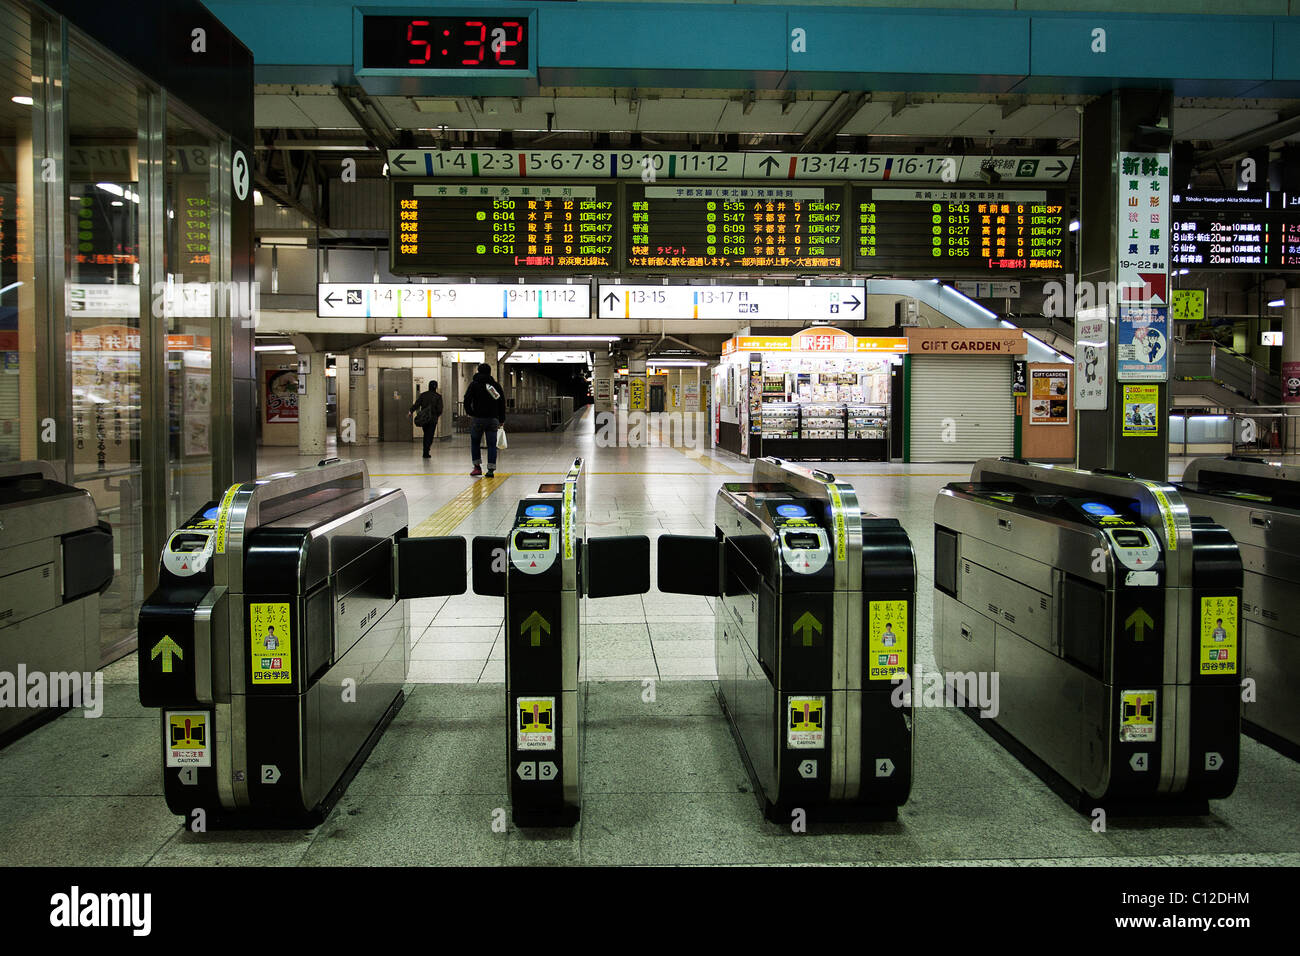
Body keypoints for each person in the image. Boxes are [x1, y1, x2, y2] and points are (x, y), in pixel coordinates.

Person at [464, 362, 506, 477]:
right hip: (493, 419)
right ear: (489, 372)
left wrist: (470, 412)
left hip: (478, 419)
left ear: (478, 371)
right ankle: (491, 470)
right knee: (492, 444)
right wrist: (502, 418)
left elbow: (466, 399)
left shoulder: (474, 384)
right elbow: (501, 402)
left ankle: (477, 468)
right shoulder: (495, 386)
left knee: (475, 442)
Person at [409, 381, 443, 458]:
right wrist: (437, 415)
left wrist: (411, 411)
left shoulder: (423, 395)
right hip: (433, 419)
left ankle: (425, 450)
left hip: (424, 419)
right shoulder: (438, 396)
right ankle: (426, 451)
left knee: (426, 434)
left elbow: (416, 404)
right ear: (436, 387)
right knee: (430, 435)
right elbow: (440, 409)